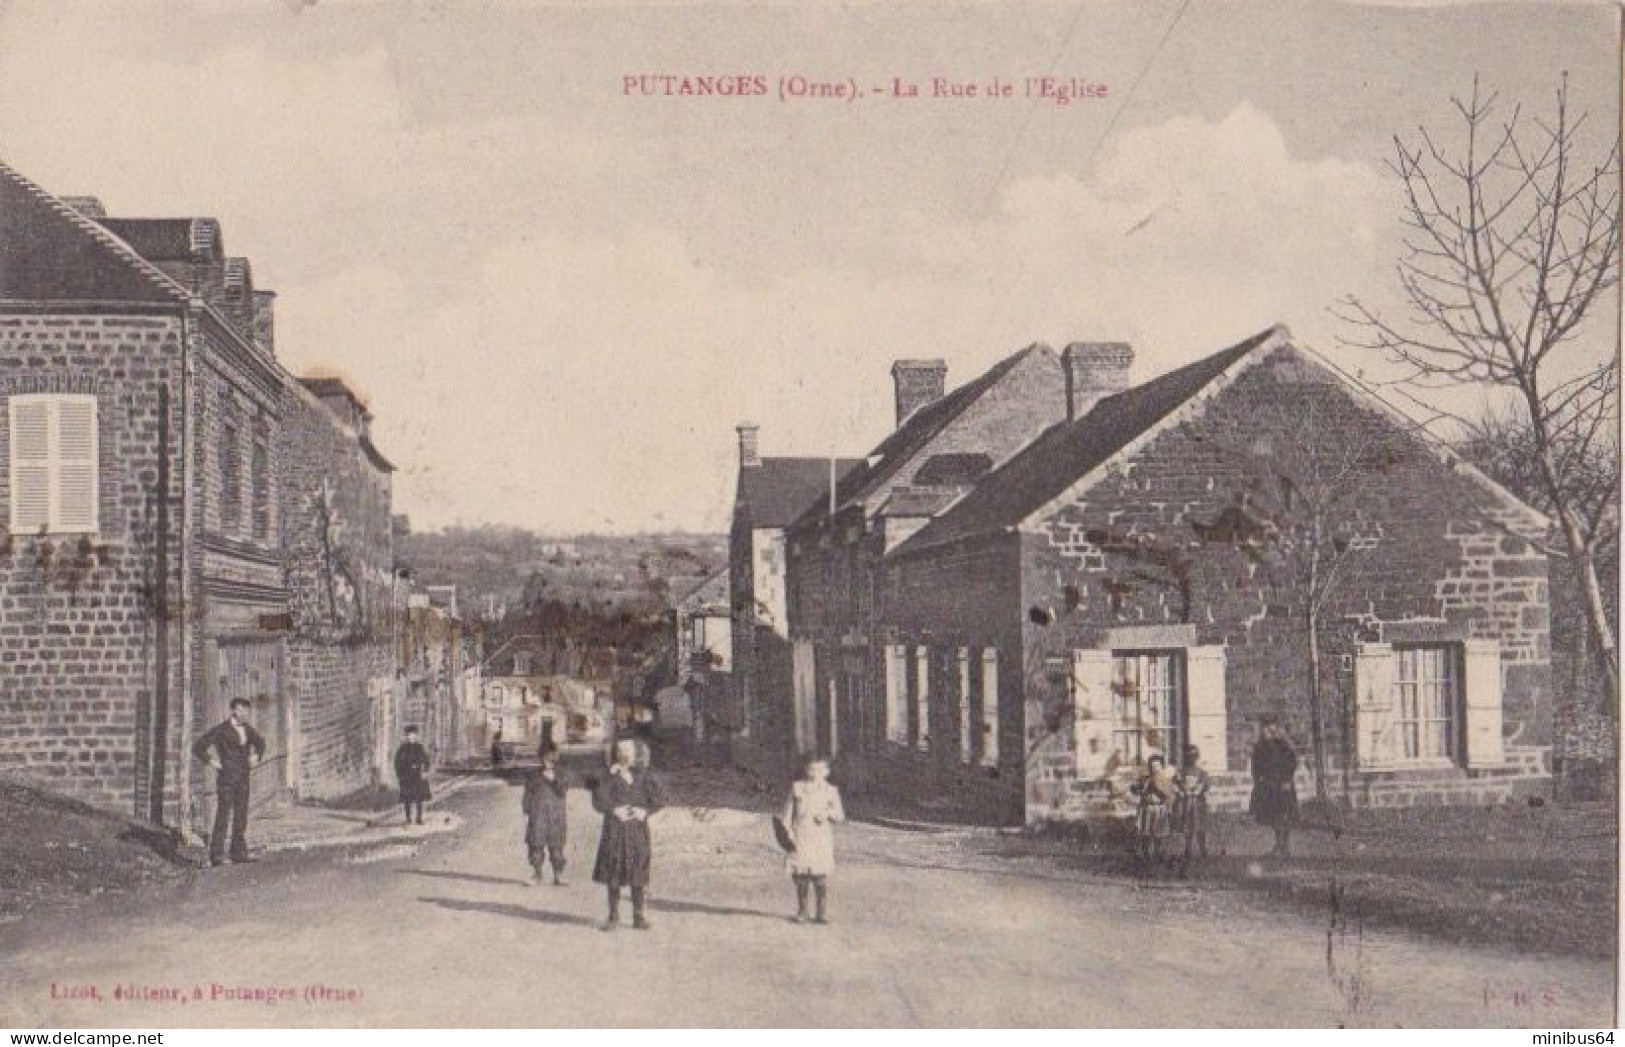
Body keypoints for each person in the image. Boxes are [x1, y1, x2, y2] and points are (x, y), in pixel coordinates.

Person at [591, 738, 665, 931]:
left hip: (637, 830)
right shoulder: (608, 776)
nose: (625, 755)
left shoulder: (644, 775)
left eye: (629, 751)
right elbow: (598, 800)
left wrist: (644, 811)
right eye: (622, 751)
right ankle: (613, 916)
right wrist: (614, 810)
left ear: (634, 754)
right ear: (616, 754)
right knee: (613, 870)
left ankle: (638, 916)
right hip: (615, 829)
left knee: (637, 869)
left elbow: (659, 799)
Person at [191, 697, 266, 867]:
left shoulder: (248, 729)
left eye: (247, 710)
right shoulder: (221, 730)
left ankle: (238, 852)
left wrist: (257, 756)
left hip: (243, 778)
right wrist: (213, 763)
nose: (245, 713)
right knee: (223, 815)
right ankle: (217, 855)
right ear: (234, 710)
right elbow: (198, 746)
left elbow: (261, 743)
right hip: (227, 779)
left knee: (241, 816)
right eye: (242, 709)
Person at [780, 757, 845, 925]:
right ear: (806, 770)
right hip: (800, 835)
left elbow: (840, 816)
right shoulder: (797, 789)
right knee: (801, 876)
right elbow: (786, 815)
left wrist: (828, 814)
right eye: (812, 770)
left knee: (819, 876)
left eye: (820, 770)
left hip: (820, 838)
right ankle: (802, 911)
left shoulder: (831, 791)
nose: (815, 774)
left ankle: (821, 913)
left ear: (826, 772)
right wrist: (787, 833)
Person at [1249, 716, 1300, 856]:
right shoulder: (1260, 746)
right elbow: (1255, 766)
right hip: (1267, 786)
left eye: (1270, 727)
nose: (1267, 730)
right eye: (1264, 727)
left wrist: (1287, 780)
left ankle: (1284, 846)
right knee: (1271, 816)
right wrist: (1258, 780)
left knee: (1283, 815)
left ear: (1275, 728)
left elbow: (1292, 763)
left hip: (1283, 785)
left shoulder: (1283, 745)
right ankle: (1279, 845)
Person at [523, 747, 570, 886]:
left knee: (557, 847)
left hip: (556, 816)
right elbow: (528, 793)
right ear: (541, 760)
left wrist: (554, 780)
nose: (548, 763)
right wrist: (527, 809)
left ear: (556, 761)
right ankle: (537, 874)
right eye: (545, 760)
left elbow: (563, 791)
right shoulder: (534, 775)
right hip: (537, 815)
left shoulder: (561, 774)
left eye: (551, 760)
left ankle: (558, 875)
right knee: (535, 846)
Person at [1132, 753, 1174, 871]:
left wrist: (1157, 788)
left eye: (1157, 766)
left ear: (1162, 766)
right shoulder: (1145, 779)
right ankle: (1146, 857)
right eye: (1152, 766)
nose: (1155, 768)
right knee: (1145, 834)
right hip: (1147, 808)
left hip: (1159, 808)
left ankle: (1156, 856)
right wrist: (1137, 788)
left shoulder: (1165, 780)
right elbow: (1136, 790)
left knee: (1158, 834)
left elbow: (1168, 795)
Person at [1172, 744, 1211, 870]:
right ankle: (1188, 849)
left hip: (1198, 803)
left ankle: (1203, 849)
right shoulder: (1181, 772)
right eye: (1188, 756)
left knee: (1200, 826)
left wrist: (1197, 791)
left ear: (1197, 757)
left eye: (1193, 756)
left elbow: (1204, 784)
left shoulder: (1201, 773)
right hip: (1185, 803)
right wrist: (1180, 792)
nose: (1191, 758)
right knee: (1188, 826)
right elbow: (1175, 784)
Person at [394, 726, 432, 825]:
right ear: (406, 736)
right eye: (409, 735)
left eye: (413, 735)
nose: (410, 737)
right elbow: (397, 762)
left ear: (416, 736)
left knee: (418, 798)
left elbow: (426, 760)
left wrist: (425, 771)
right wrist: (399, 775)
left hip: (417, 776)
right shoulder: (402, 748)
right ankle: (408, 818)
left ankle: (419, 818)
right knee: (407, 798)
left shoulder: (419, 747)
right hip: (406, 777)